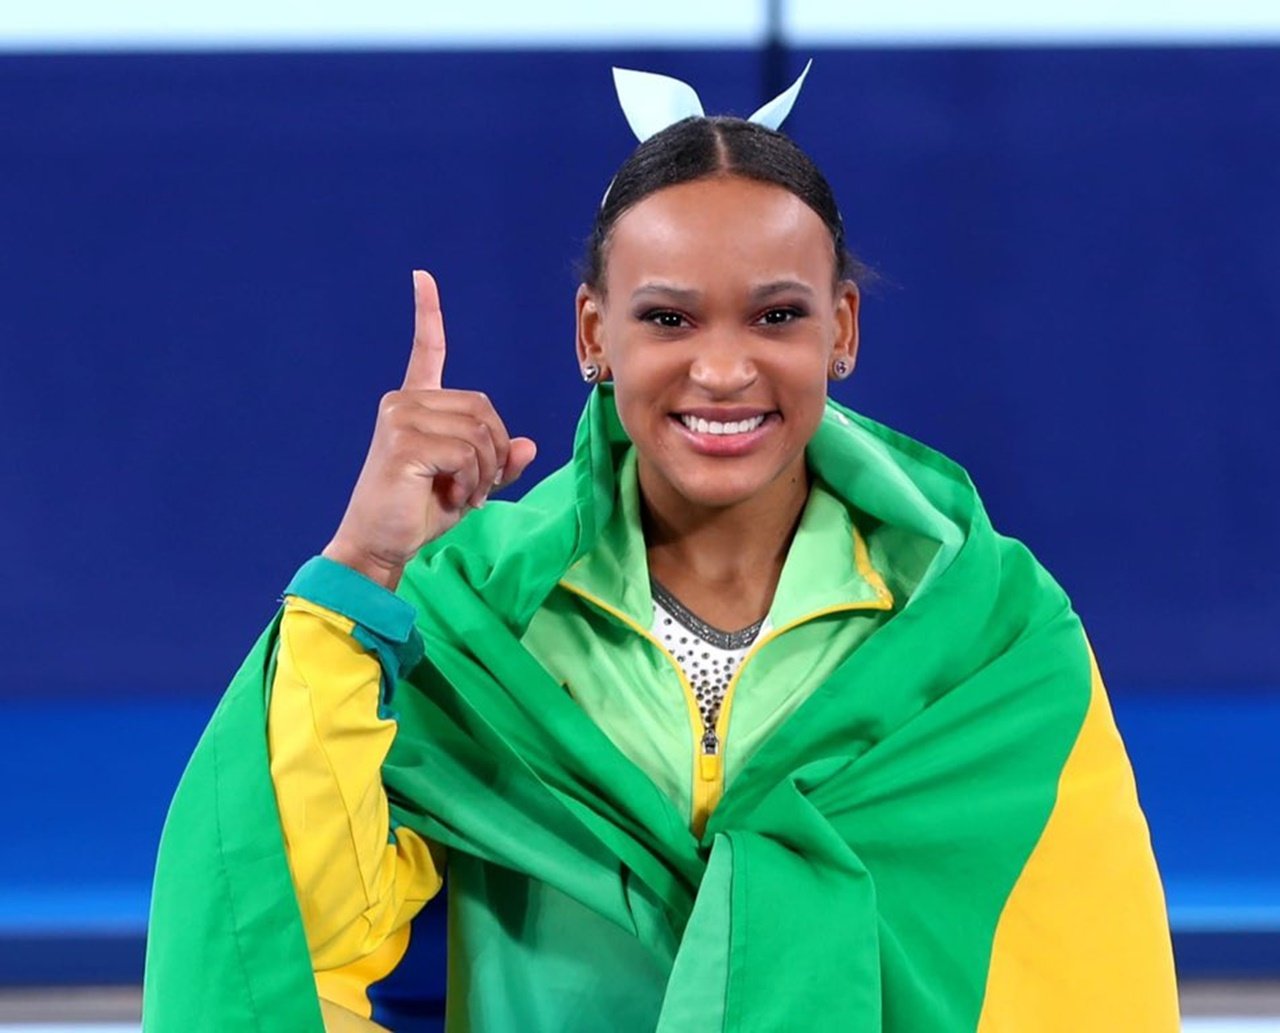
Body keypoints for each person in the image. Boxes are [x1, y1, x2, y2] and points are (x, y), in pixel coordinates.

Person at [144, 65, 1179, 1032]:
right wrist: (363, 568)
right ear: (594, 333)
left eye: (775, 314)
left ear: (842, 328)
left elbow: (1085, 978)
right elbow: (285, 922)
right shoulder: (468, 615)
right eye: (668, 318)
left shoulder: (985, 628)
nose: (722, 367)